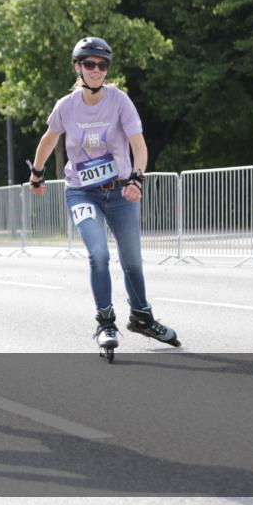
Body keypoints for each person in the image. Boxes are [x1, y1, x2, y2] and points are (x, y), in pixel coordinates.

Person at [28, 36, 181, 362]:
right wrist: (37, 173)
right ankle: (105, 323)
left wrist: (137, 179)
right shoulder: (66, 106)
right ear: (78, 67)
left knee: (132, 262)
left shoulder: (120, 101)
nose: (96, 70)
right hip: (82, 192)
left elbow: (139, 147)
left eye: (102, 65)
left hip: (121, 191)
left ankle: (142, 317)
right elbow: (48, 138)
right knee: (98, 254)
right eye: (89, 64)